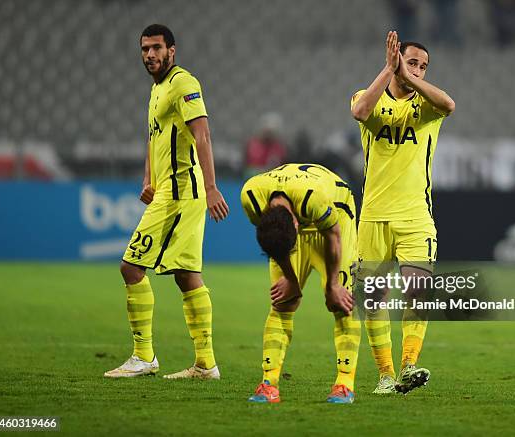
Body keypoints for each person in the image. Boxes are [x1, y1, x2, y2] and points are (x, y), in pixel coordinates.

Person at [104, 24, 229, 379]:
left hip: (180, 195)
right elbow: (153, 138)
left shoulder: (184, 84)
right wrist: (148, 178)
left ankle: (144, 357)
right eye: (144, 49)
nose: (149, 55)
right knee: (187, 275)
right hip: (168, 193)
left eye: (156, 48)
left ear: (171, 51)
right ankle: (205, 364)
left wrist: (212, 186)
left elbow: (201, 133)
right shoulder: (157, 89)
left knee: (131, 267)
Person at [350, 31, 455, 394]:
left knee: (417, 288)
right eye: (412, 62)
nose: (418, 71)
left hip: (414, 216)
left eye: (423, 67)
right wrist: (389, 69)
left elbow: (450, 105)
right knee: (373, 299)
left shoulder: (426, 108)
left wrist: (407, 76)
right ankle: (385, 374)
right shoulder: (370, 99)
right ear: (395, 59)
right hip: (374, 216)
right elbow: (360, 111)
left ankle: (410, 364)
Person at [240, 163, 361, 404]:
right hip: (298, 218)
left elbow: (333, 236)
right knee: (282, 302)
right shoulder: (251, 198)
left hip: (335, 220)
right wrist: (291, 281)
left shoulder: (312, 198)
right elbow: (276, 244)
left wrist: (332, 287)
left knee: (342, 303)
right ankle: (268, 384)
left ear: (297, 225)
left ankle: (344, 384)